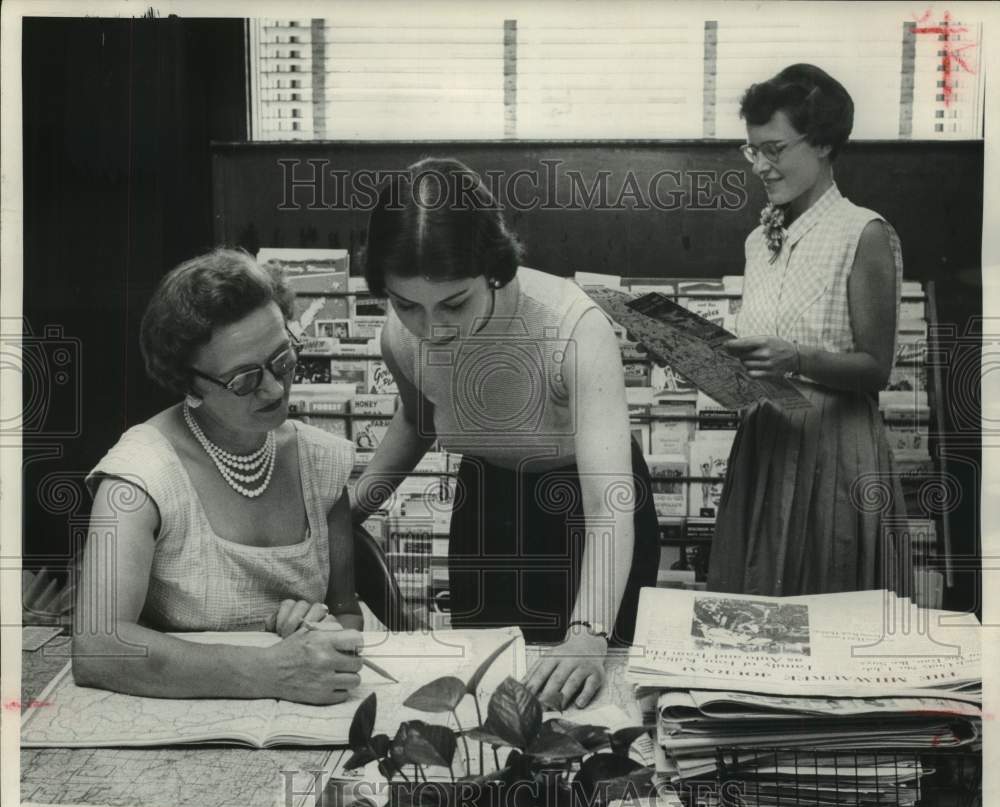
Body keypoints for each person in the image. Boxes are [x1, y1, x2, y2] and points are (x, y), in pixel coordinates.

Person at [351, 158, 659, 710]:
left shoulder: (573, 326)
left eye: (454, 303)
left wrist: (588, 633)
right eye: (406, 305)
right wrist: (354, 505)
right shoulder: (397, 335)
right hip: (489, 503)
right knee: (490, 694)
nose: (432, 328)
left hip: (586, 510)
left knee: (594, 697)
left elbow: (608, 503)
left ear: (494, 267)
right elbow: (418, 418)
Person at [72, 249, 364, 704]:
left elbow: (347, 612)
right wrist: (270, 672)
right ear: (189, 384)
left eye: (283, 359)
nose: (273, 388)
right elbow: (99, 647)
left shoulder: (322, 462)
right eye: (244, 379)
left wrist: (327, 629)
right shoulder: (137, 478)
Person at [710, 64, 906, 596]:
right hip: (762, 441)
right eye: (753, 151)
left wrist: (794, 358)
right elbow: (759, 350)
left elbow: (875, 368)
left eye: (774, 149)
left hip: (833, 449)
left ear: (820, 143)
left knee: (827, 611)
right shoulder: (759, 240)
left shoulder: (862, 232)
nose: (761, 166)